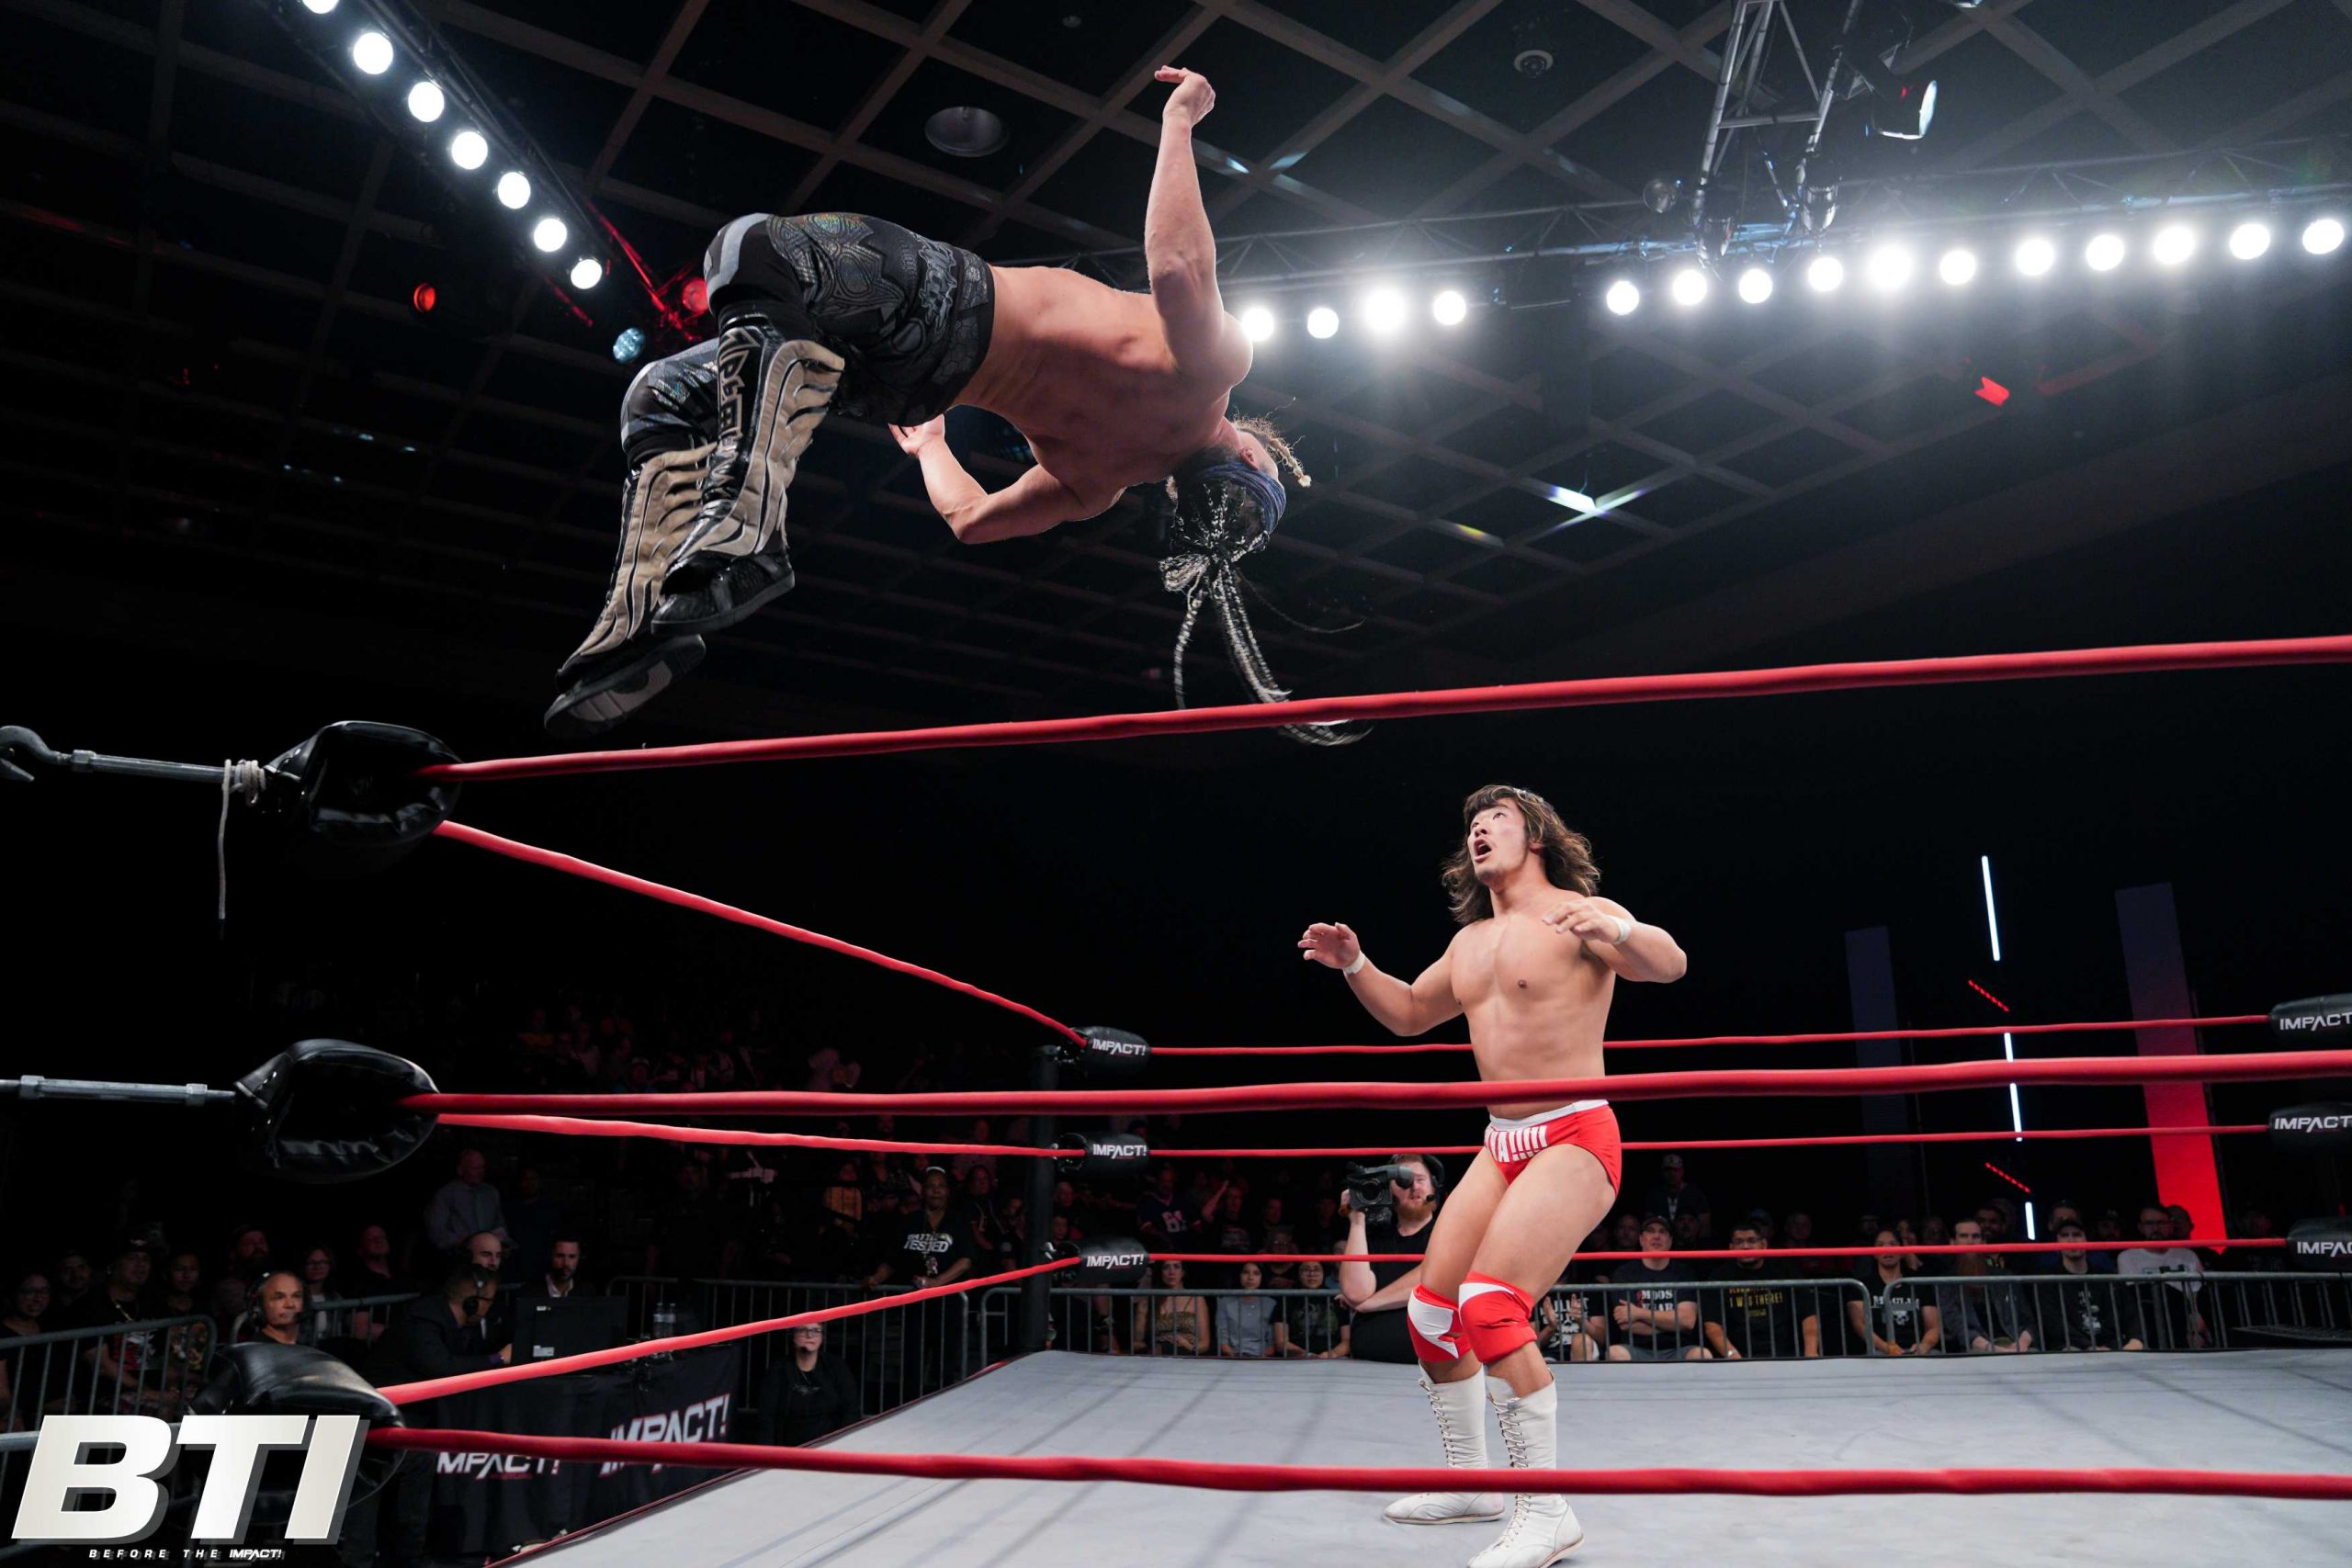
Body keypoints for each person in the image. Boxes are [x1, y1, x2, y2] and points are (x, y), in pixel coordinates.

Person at [548, 67, 1330, 744]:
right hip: (914, 385)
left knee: (748, 247)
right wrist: (931, 448)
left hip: (947, 303)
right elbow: (971, 521)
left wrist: (1179, 120)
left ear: (1252, 453)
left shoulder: (1215, 370)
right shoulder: (1098, 485)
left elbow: (1179, 271)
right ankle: (637, 631)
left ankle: (747, 528)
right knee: (662, 394)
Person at [1301, 784, 1686, 1566]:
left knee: (1491, 1305)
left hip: (1575, 1132)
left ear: (1535, 834)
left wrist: (1618, 927)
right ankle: (1472, 1482)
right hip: (1500, 1141)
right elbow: (1410, 1012)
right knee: (1432, 1313)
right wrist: (1355, 965)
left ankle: (1546, 1510)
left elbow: (1669, 964)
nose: (1479, 832)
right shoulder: (1470, 943)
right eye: (1472, 825)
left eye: (1496, 820)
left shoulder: (1579, 913)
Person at [1332, 1154, 1444, 1365]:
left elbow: (1432, 1277)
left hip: (1429, 1367)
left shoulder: (1447, 1233)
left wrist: (1368, 1305)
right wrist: (1357, 1220)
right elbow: (1356, 1292)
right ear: (1389, 1191)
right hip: (1366, 1364)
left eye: (1420, 1179)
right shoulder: (1374, 1237)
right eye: (1403, 1181)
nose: (1414, 1187)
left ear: (1433, 1187)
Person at [1702, 1224, 1824, 1361]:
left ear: (1764, 1244)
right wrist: (1734, 1357)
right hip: (1740, 1355)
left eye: (1752, 1241)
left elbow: (1808, 1314)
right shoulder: (1719, 1276)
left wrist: (1811, 1354)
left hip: (1787, 1354)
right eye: (1739, 1242)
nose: (1745, 1246)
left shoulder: (1785, 1270)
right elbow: (1712, 1325)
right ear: (1731, 1248)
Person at [2020, 1218, 2143, 1351]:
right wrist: (2089, 1347)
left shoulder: (2107, 1277)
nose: (2071, 1240)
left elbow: (2130, 1314)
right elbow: (2054, 1324)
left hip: (2111, 1347)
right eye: (2064, 1236)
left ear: (2087, 1240)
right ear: (2056, 1243)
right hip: (2070, 1349)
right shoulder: (2048, 1281)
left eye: (2077, 1235)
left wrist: (2136, 1340)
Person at [1605, 1217, 1707, 1361]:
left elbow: (1687, 1321)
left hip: (1678, 1348)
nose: (1656, 1236)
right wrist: (1672, 1324)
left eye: (1662, 1231)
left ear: (1670, 1241)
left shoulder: (1684, 1272)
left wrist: (1639, 1313)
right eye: (1650, 1231)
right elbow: (1626, 1323)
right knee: (1615, 1353)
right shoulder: (1624, 1273)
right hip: (1637, 1348)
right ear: (1641, 1239)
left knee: (1702, 1354)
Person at [2117, 1203, 2206, 1349]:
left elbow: (2196, 1297)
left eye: (2161, 1223)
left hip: (2184, 1319)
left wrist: (2196, 1329)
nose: (2156, 1228)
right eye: (2149, 1223)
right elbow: (2133, 1299)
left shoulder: (2188, 1255)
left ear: (2170, 1226)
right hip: (2149, 1321)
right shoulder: (2127, 1256)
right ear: (2140, 1227)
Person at [757, 1323, 861, 1446]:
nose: (809, 1335)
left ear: (822, 1337)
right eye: (802, 1330)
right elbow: (767, 1416)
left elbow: (851, 1409)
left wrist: (843, 1444)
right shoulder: (778, 1370)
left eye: (816, 1330)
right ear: (793, 1336)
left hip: (830, 1446)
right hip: (787, 1448)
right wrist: (768, 1453)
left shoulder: (836, 1367)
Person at [1848, 1229, 1939, 1357]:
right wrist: (1886, 1348)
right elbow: (1860, 1325)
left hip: (1916, 1350)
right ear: (1873, 1253)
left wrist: (1924, 1346)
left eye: (1892, 1244)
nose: (1887, 1249)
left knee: (1936, 1356)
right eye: (1880, 1245)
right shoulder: (1862, 1286)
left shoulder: (1919, 1283)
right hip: (1879, 1351)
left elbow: (1933, 1326)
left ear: (1902, 1251)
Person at [424, 1149, 510, 1258]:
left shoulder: (491, 1193)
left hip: (488, 1258)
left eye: (482, 1167)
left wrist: (499, 1242)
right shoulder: (446, 1194)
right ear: (460, 1170)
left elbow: (500, 1225)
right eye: (475, 1168)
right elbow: (437, 1232)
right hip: (457, 1258)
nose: (480, 1172)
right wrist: (466, 1242)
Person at [1129, 1258, 1209, 1357]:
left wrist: (1188, 1346)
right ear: (1160, 1272)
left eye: (1176, 1267)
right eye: (1166, 1267)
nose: (1172, 1272)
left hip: (1187, 1354)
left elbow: (1205, 1344)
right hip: (1158, 1354)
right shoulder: (1148, 1302)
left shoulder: (1196, 1299)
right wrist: (1153, 1347)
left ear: (1183, 1272)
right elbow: (1137, 1343)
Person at [1279, 1259, 1351, 1359]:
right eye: (1306, 1270)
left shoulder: (1336, 1299)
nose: (1311, 1274)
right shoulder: (1286, 1299)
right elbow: (1281, 1342)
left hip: (1334, 1358)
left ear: (1324, 1273)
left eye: (1317, 1269)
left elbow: (1347, 1340)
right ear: (1298, 1274)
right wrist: (1307, 1355)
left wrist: (1332, 1354)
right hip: (1297, 1359)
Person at [1637, 1155, 1712, 1241]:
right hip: (1662, 1242)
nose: (1672, 1174)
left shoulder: (1695, 1193)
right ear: (1662, 1172)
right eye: (1668, 1170)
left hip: (1691, 1244)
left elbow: (1705, 1224)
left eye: (1675, 1170)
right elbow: (1648, 1223)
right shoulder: (1654, 1195)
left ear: (1682, 1171)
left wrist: (1701, 1245)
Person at [1216, 1261, 1280, 1359]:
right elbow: (1222, 1340)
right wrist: (1233, 1358)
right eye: (1245, 1272)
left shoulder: (1270, 1303)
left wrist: (1261, 1359)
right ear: (1239, 1275)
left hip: (1262, 1359)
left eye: (1256, 1273)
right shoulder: (1225, 1302)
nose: (1250, 1277)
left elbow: (1271, 1343)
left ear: (1262, 1277)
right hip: (1233, 1358)